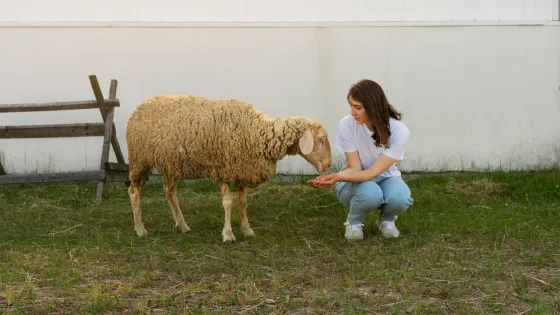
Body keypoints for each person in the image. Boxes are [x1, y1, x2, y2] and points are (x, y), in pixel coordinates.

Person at [308, 79, 413, 240]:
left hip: (385, 178)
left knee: (402, 197)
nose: (352, 112)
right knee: (371, 193)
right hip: (352, 181)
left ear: (373, 107)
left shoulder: (399, 131)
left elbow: (372, 172)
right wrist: (337, 178)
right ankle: (353, 222)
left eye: (358, 107)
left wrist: (336, 177)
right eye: (351, 105)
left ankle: (387, 221)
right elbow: (355, 169)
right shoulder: (347, 124)